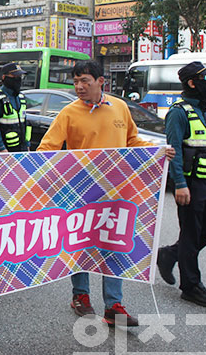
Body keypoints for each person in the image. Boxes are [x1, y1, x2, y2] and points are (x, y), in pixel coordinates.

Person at [36, 60, 175, 327]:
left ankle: (113, 306)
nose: (79, 87)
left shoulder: (120, 107)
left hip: (117, 192)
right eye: (76, 81)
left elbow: (132, 141)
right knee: (81, 246)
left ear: (101, 82)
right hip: (81, 193)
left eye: (85, 81)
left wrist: (157, 151)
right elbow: (47, 149)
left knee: (114, 244)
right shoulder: (68, 113)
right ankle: (80, 295)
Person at [158, 61, 206, 309]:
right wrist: (179, 184)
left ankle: (170, 254)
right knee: (191, 236)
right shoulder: (178, 113)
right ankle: (191, 286)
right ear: (192, 83)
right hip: (190, 183)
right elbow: (175, 151)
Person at [0, 63, 30, 153]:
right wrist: (1, 148)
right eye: (14, 75)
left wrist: (27, 145)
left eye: (19, 76)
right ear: (4, 77)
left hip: (21, 149)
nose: (17, 79)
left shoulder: (21, 97)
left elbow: (25, 122)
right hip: (4, 150)